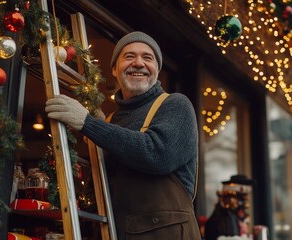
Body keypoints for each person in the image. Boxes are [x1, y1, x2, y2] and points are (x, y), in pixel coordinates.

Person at [45, 31, 201, 239]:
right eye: (129, 56)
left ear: (157, 70)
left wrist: (88, 123)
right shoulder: (108, 121)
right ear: (114, 69)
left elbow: (156, 153)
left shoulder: (175, 104)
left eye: (148, 58)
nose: (138, 63)